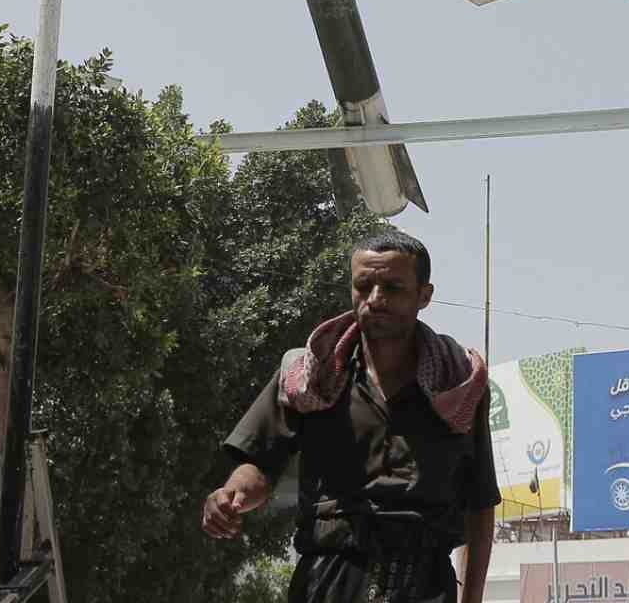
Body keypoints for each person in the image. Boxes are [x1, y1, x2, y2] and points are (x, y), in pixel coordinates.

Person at [203, 226, 498, 603]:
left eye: (392, 287)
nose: (375, 299)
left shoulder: (459, 382)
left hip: (423, 581)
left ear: (424, 296)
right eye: (363, 286)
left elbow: (479, 503)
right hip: (328, 579)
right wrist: (232, 495)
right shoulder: (309, 374)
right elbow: (260, 463)